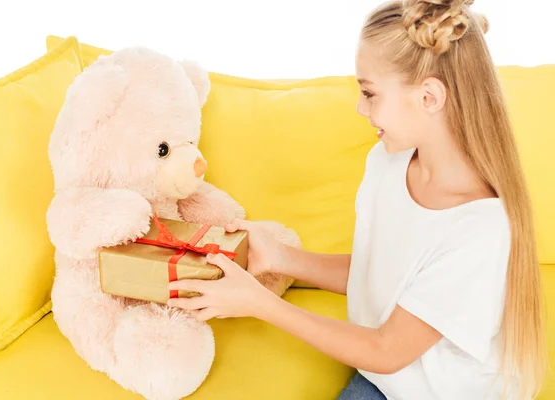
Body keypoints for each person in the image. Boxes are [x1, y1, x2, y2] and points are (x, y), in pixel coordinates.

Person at [167, 0, 548, 399]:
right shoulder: (387, 164)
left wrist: (258, 303)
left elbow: (387, 350)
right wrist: (280, 257)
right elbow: (379, 277)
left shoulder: (479, 229)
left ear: (429, 97)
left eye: (369, 93)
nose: (359, 107)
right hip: (386, 380)